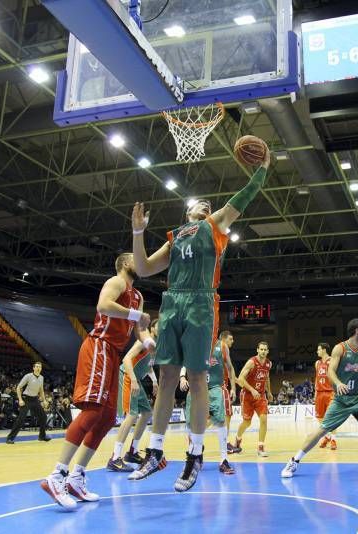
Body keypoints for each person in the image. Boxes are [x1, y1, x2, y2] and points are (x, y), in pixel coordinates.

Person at [129, 144, 270, 492]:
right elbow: (144, 268)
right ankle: (156, 451)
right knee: (165, 380)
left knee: (195, 378)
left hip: (201, 303)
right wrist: (137, 232)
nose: (204, 204)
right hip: (173, 303)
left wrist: (262, 168)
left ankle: (195, 454)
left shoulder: (216, 224)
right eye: (199, 203)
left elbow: (246, 194)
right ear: (187, 210)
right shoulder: (175, 237)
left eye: (208, 203)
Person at [40, 253, 152, 510]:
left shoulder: (138, 296)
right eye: (135, 258)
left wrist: (149, 343)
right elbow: (103, 306)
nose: (141, 260)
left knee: (107, 417)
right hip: (99, 346)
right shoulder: (116, 282)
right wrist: (136, 316)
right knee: (92, 411)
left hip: (114, 353)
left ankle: (77, 477)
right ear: (125, 264)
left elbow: (139, 328)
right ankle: (57, 475)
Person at [281, 318, 358, 479]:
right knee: (321, 431)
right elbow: (330, 371)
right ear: (357, 331)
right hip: (341, 400)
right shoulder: (340, 348)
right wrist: (338, 383)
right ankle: (294, 461)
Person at [180, 330, 237, 474]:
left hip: (214, 388)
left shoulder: (222, 346)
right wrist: (182, 377)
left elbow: (230, 368)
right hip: (195, 388)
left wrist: (233, 388)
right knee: (190, 423)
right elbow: (185, 362)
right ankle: (195, 455)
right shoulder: (193, 341)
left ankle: (224, 460)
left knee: (220, 421)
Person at [107, 319, 160, 472]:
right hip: (128, 375)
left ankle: (132, 453)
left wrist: (155, 381)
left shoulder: (155, 346)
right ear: (152, 328)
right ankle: (114, 458)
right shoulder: (144, 341)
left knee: (147, 412)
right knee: (131, 415)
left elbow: (148, 366)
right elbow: (126, 359)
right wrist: (134, 380)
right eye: (159, 325)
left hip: (136, 379)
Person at [232, 341, 274, 456]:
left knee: (264, 419)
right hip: (247, 395)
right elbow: (240, 378)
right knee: (247, 422)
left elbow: (267, 378)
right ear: (257, 350)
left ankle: (260, 447)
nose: (263, 351)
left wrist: (269, 392)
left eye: (265, 349)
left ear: (268, 351)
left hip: (260, 396)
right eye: (261, 349)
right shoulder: (251, 362)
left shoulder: (269, 364)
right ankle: (238, 439)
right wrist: (252, 389)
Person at [6, 362, 50, 444]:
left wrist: (44, 400)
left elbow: (41, 390)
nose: (38, 368)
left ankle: (42, 436)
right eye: (36, 366)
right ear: (33, 368)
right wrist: (20, 399)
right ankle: (10, 438)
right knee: (21, 419)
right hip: (26, 399)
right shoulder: (28, 376)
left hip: (35, 399)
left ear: (41, 369)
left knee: (43, 417)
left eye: (40, 367)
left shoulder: (41, 378)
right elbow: (19, 387)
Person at [313, 342, 337, 450]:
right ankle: (327, 436)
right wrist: (315, 393)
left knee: (331, 417)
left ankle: (333, 440)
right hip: (319, 393)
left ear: (324, 350)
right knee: (320, 418)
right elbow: (316, 378)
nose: (317, 351)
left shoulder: (332, 361)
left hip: (330, 392)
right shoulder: (317, 363)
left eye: (318, 349)